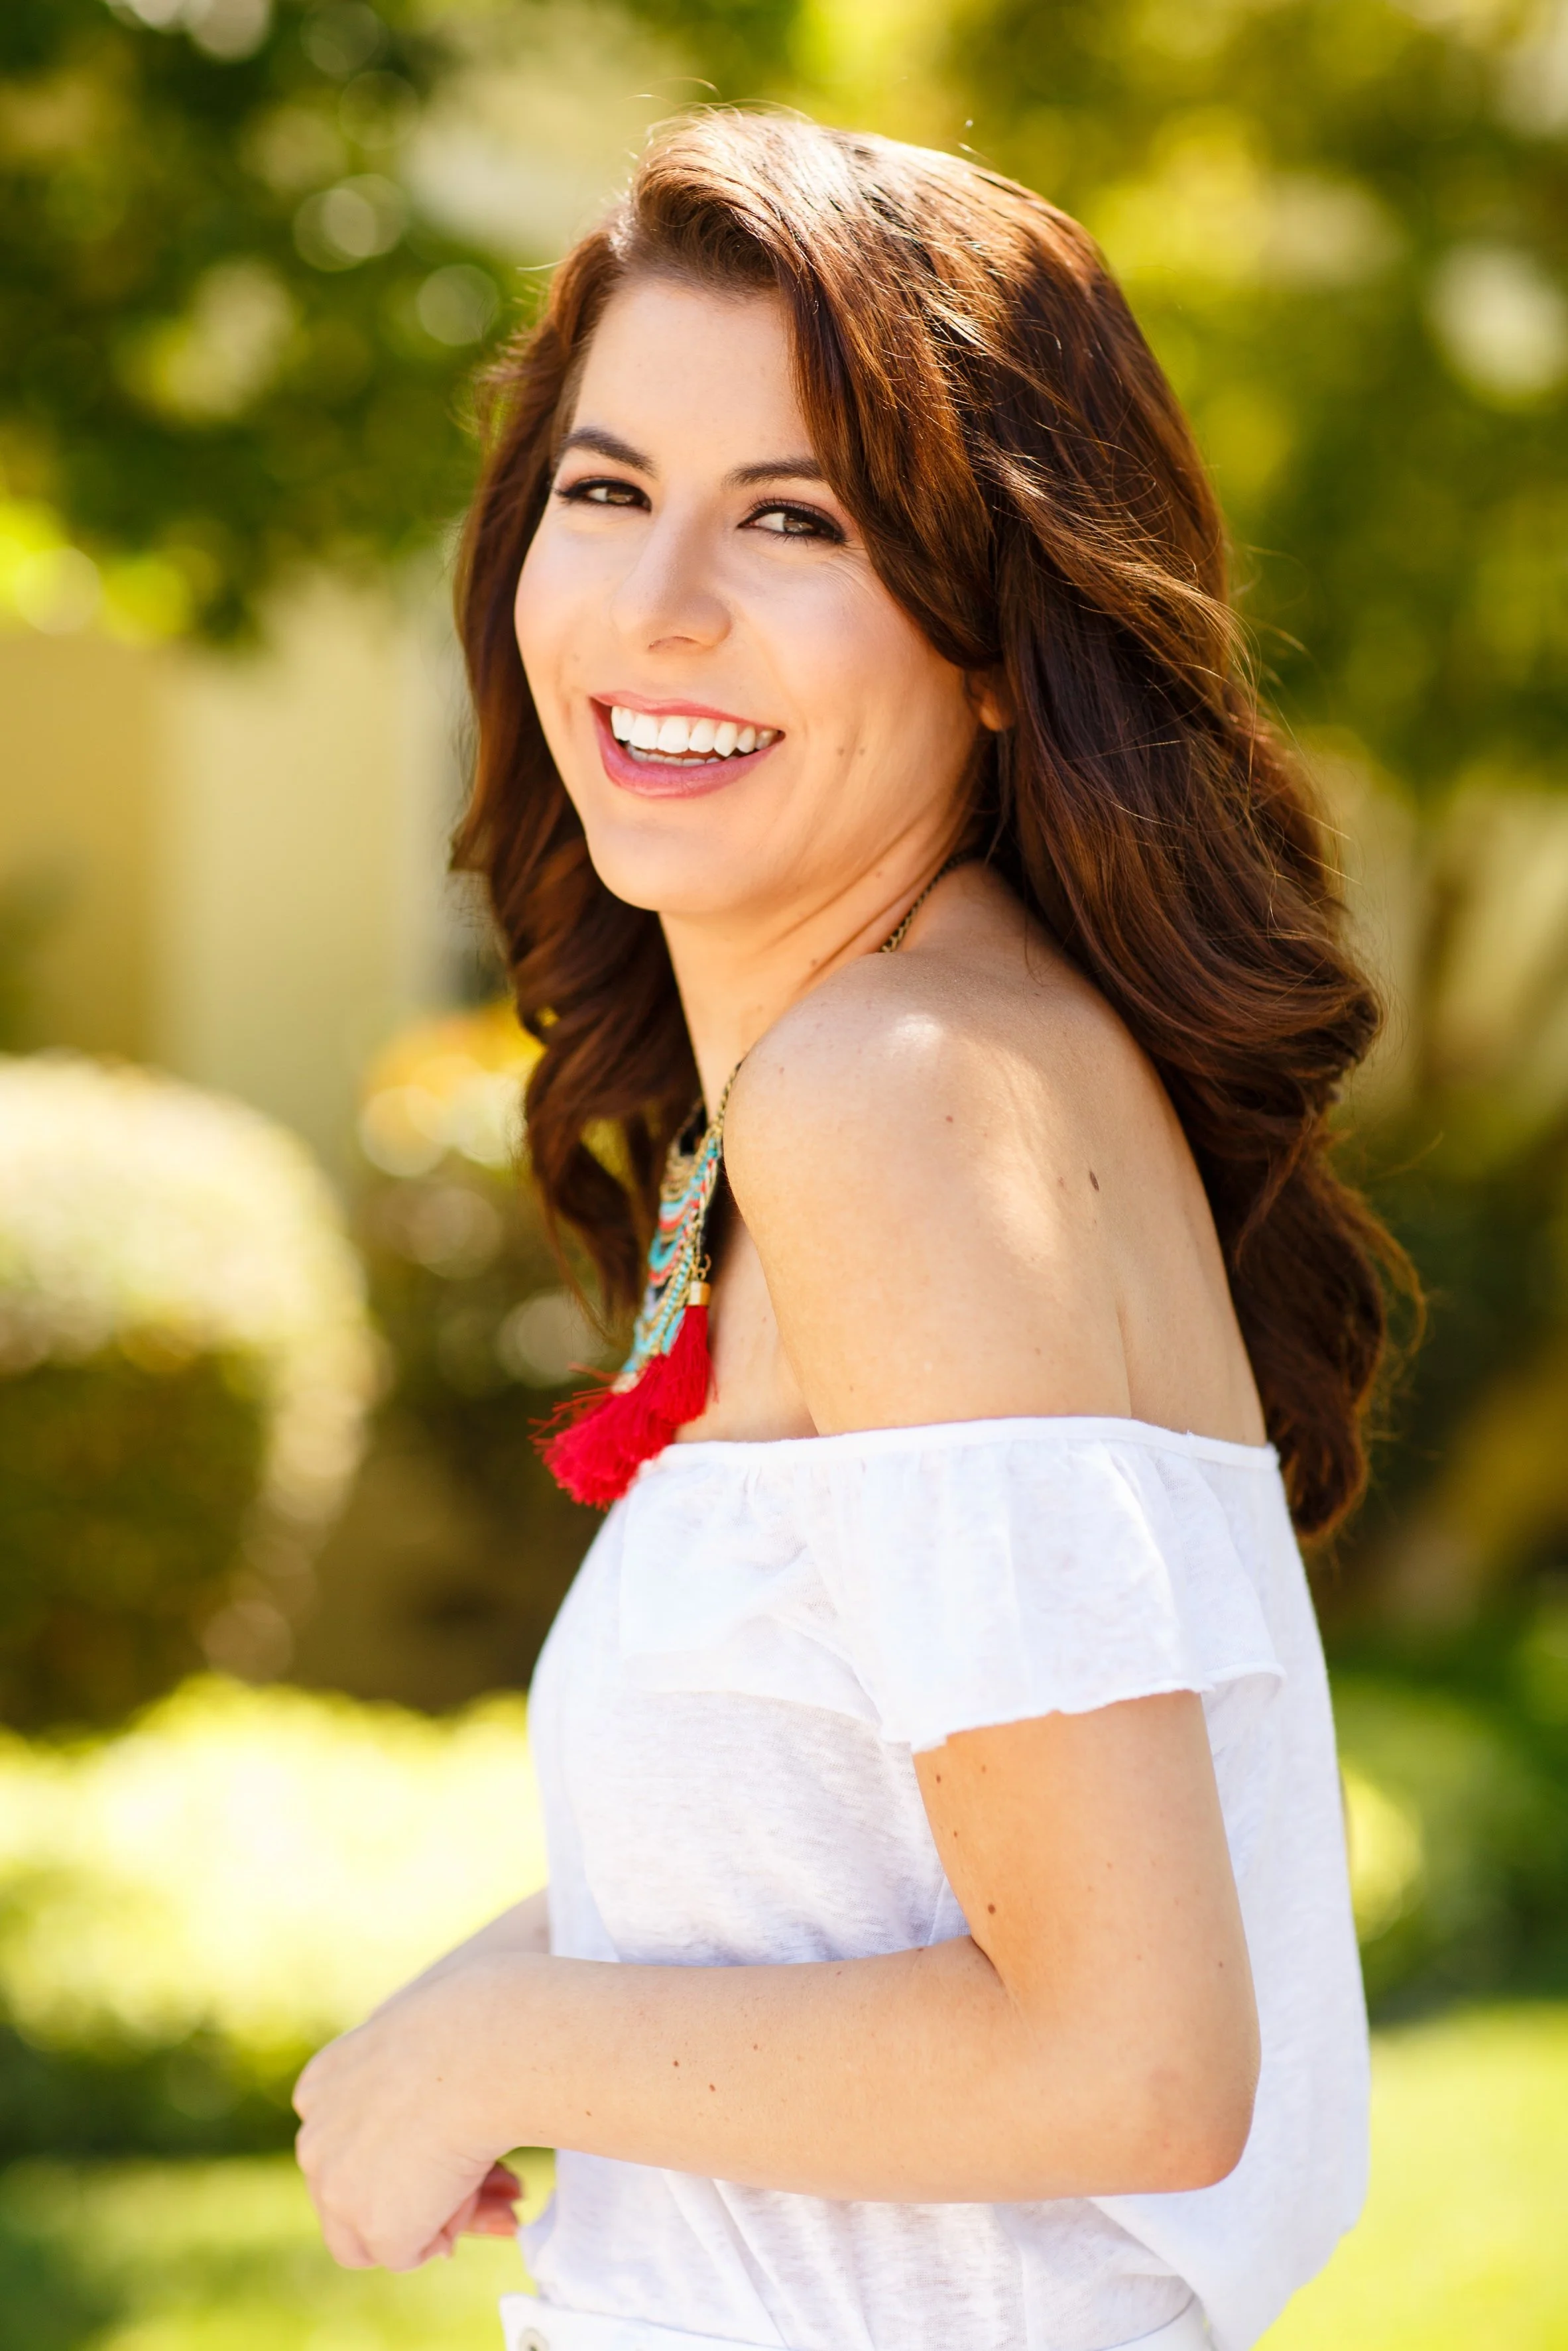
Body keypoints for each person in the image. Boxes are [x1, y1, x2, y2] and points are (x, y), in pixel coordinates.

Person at [294, 110, 1413, 2351]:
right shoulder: (937, 1055)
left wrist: (494, 2051)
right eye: (605, 490)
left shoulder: (896, 1095)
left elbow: (1127, 2062)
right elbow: (884, 1872)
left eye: (792, 519)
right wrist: (496, 1992)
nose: (658, 603)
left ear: (1001, 635)